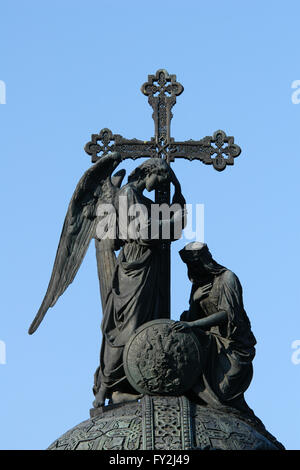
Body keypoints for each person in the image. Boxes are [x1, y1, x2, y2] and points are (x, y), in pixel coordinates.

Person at [93, 158, 186, 407]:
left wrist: (176, 194)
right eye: (160, 179)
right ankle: (105, 389)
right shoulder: (128, 193)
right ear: (149, 172)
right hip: (134, 269)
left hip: (147, 266)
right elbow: (143, 232)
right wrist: (174, 223)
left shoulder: (139, 197)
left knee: (145, 324)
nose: (159, 186)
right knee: (127, 327)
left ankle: (130, 384)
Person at [173, 242, 257, 418]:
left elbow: (227, 315)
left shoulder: (227, 278)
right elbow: (192, 318)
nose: (193, 269)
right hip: (209, 341)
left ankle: (241, 416)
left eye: (195, 264)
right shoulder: (198, 284)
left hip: (232, 344)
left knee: (224, 392)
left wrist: (192, 325)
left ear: (204, 261)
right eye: (190, 266)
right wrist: (194, 302)